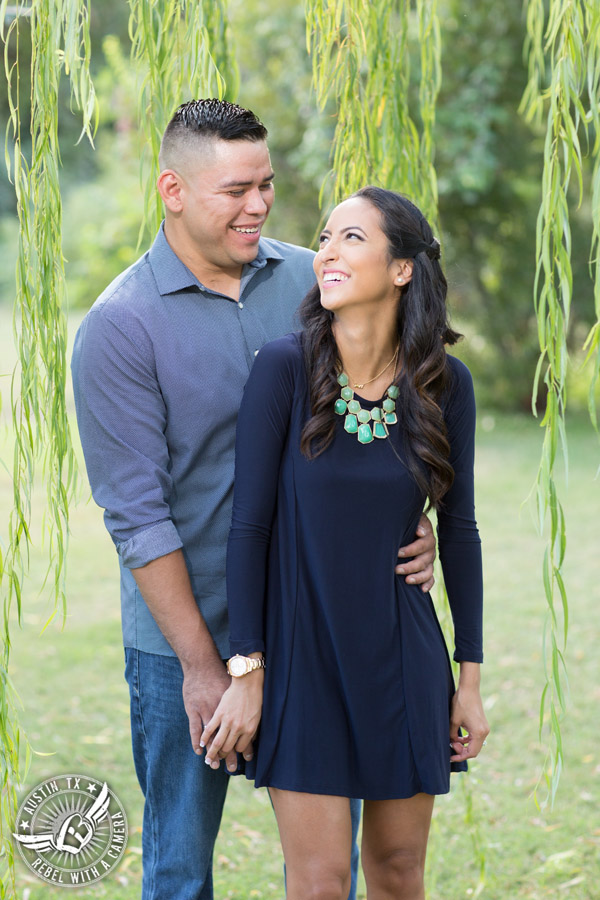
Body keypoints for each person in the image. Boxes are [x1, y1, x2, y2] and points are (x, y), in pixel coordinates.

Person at [71, 101, 437, 900]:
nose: (259, 204)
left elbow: (395, 404)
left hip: (315, 629)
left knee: (322, 869)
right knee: (179, 867)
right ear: (173, 188)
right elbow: (137, 517)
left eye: (266, 185)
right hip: (186, 646)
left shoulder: (314, 281)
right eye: (235, 189)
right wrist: (206, 668)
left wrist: (418, 521)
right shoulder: (120, 328)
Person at [201, 186, 490, 900]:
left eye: (351, 238)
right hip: (303, 663)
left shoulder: (445, 385)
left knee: (397, 874)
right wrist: (248, 670)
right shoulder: (285, 368)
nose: (326, 251)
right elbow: (250, 526)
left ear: (402, 269)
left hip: (403, 659)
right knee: (323, 881)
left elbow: (458, 528)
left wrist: (471, 682)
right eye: (325, 238)